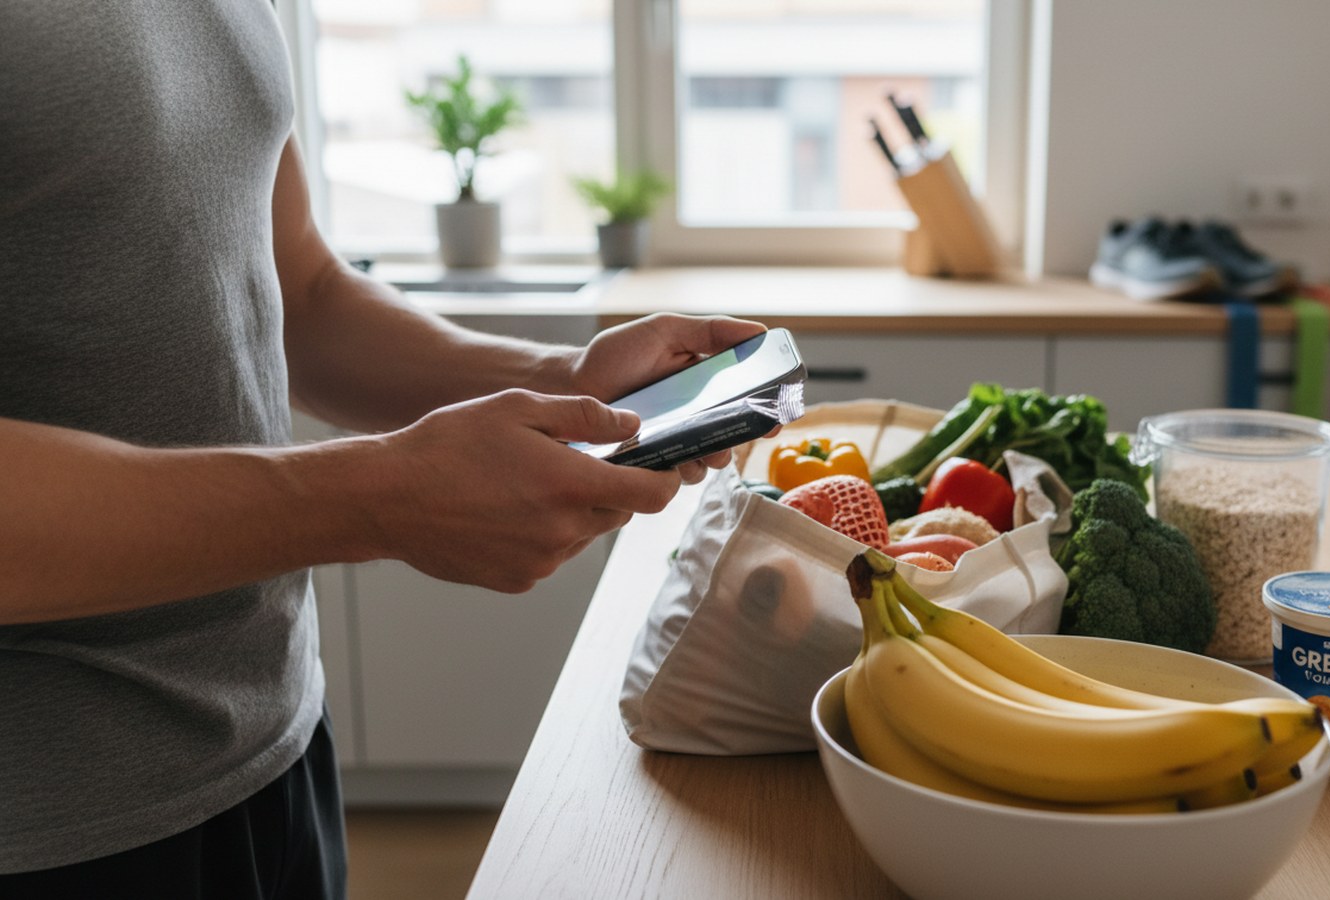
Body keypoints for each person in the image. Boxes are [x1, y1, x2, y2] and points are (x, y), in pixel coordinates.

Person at [0, 3, 766, 896]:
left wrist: (566, 380)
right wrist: (375, 497)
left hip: (268, 747)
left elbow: (305, 290)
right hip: (49, 832)